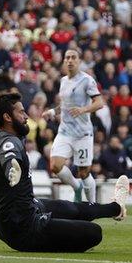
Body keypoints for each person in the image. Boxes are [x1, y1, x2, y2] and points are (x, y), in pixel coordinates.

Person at [0, 92, 128, 252]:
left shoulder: (4, 136)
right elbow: (10, 156)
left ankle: (117, 207)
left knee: (72, 208)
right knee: (94, 232)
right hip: (23, 227)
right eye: (21, 112)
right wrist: (11, 169)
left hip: (18, 214)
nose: (26, 116)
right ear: (8, 118)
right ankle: (67, 239)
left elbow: (6, 146)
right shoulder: (9, 142)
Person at [41, 49, 104, 202]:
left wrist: (83, 109)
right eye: (67, 57)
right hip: (65, 132)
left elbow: (99, 103)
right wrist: (52, 112)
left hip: (82, 134)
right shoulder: (63, 81)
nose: (70, 60)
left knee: (84, 173)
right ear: (64, 61)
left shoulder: (87, 80)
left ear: (79, 61)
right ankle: (77, 187)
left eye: (73, 57)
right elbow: (64, 105)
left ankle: (91, 205)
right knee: (55, 165)